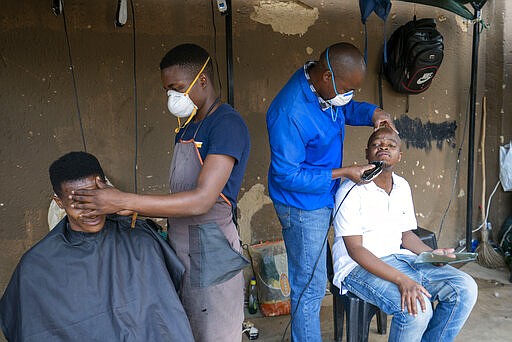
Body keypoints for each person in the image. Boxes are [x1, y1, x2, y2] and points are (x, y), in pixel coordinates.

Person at [69, 44, 250, 341]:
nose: (171, 98)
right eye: (167, 90)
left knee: (215, 332)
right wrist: (134, 208)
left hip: (211, 248)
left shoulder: (226, 124)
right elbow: (180, 195)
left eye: (177, 88)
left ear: (202, 80)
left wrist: (123, 199)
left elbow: (202, 200)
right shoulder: (187, 127)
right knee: (186, 329)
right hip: (182, 247)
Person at [266, 42, 396, 340]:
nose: (348, 95)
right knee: (309, 286)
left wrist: (373, 113)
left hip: (324, 194)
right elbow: (288, 175)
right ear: (326, 77)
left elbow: (346, 107)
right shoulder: (290, 111)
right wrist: (344, 173)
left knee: (315, 279)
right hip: (302, 205)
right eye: (346, 88)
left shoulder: (327, 92)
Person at [0, 151, 194, 342]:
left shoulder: (141, 242)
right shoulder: (36, 267)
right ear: (59, 202)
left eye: (96, 200)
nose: (91, 211)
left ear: (107, 192)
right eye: (78, 203)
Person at [332, 126, 478, 341]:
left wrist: (433, 254)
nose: (384, 147)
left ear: (400, 156)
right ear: (366, 153)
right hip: (357, 268)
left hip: (400, 259)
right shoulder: (351, 190)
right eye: (377, 144)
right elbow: (355, 250)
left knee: (465, 288)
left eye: (391, 145)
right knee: (417, 310)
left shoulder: (402, 186)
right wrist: (402, 280)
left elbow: (406, 235)